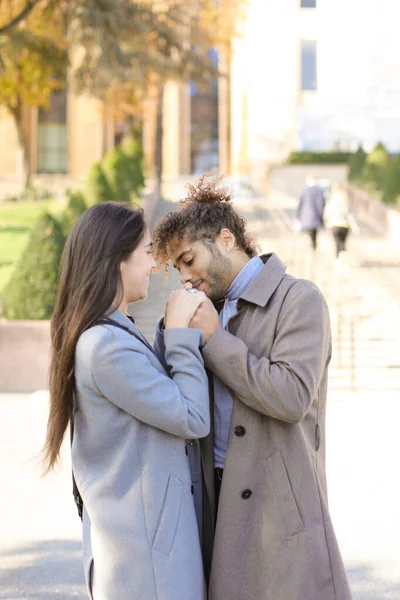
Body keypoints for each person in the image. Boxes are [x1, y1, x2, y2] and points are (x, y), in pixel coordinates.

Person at [152, 174, 352, 600]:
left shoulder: (299, 300)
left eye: (189, 260)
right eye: (177, 269)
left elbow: (292, 395)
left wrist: (215, 339)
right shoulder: (203, 309)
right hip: (216, 505)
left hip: (281, 511)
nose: (184, 278)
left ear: (226, 239)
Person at [43, 202, 210, 600]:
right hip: (146, 563)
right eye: (148, 252)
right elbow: (191, 416)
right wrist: (182, 336)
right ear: (118, 260)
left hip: (146, 550)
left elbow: (150, 388)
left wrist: (169, 330)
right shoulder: (105, 345)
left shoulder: (114, 333)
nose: (155, 265)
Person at [325, 183, 360, 259]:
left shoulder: (331, 201)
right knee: (342, 242)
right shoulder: (345, 201)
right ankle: (342, 255)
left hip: (334, 224)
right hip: (344, 225)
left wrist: (327, 223)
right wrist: (355, 226)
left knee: (337, 243)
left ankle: (338, 258)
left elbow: (327, 213)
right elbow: (349, 215)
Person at [296, 175, 326, 249]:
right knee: (314, 237)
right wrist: (321, 217)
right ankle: (313, 250)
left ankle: (308, 250)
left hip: (305, 217)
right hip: (315, 217)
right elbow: (321, 205)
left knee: (306, 235)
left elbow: (300, 204)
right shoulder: (319, 190)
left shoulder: (303, 190)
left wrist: (298, 217)